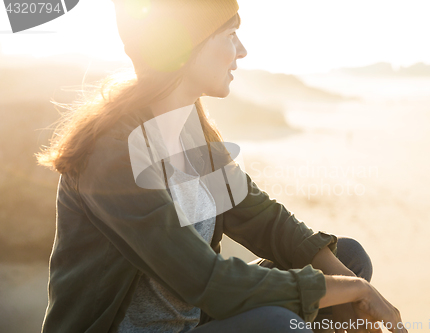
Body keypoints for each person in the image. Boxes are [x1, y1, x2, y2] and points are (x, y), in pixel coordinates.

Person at [36, 0, 408, 332]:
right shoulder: (113, 152)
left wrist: (348, 279)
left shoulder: (190, 133)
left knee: (346, 258)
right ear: (184, 49)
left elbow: (263, 219)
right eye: (230, 35)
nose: (242, 51)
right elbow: (206, 280)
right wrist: (351, 289)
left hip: (197, 320)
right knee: (279, 324)